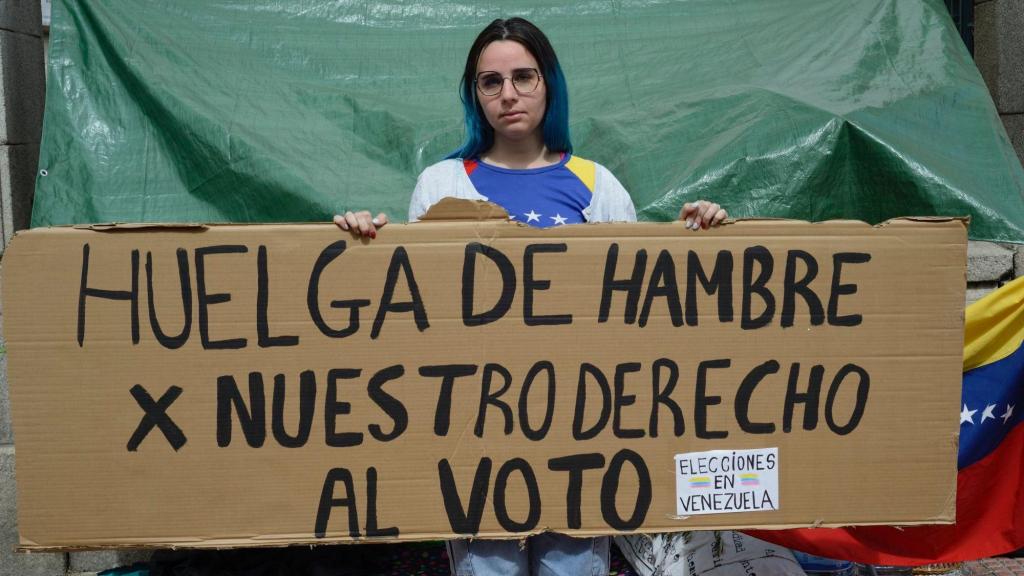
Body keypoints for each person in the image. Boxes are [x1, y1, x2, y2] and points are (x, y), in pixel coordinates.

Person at [335, 16, 726, 576]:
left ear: (549, 84)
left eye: (524, 77)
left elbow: (638, 306)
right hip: (473, 434)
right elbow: (416, 309)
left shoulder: (597, 184)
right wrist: (362, 246)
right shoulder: (441, 184)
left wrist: (703, 239)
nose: (509, 94)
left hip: (582, 433)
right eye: (490, 82)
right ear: (475, 95)